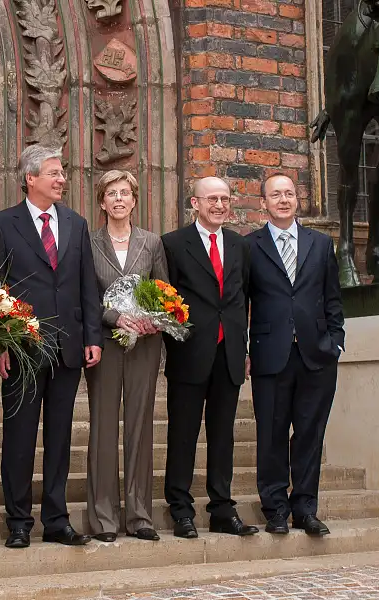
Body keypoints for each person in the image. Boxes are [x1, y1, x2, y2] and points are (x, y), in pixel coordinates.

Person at [0, 145, 103, 549]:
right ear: (30, 178)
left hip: (69, 347)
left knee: (60, 436)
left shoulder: (76, 223)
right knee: (19, 437)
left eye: (62, 173)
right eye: (53, 173)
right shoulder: (2, 223)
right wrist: (0, 344)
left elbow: (86, 283)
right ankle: (19, 520)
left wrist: (92, 337)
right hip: (22, 346)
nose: (61, 179)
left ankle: (56, 519)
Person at [245, 173, 345, 536]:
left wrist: (336, 341)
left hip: (316, 354)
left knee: (309, 434)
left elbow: (332, 297)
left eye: (289, 194)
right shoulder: (250, 246)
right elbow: (241, 303)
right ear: (264, 203)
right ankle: (275, 508)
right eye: (275, 195)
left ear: (297, 200)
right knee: (271, 433)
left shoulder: (320, 244)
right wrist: (244, 349)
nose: (283, 200)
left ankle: (305, 508)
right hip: (270, 354)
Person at [160, 177, 259, 539]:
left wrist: (243, 348)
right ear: (195, 203)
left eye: (224, 199)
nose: (219, 205)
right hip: (190, 352)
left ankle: (221, 509)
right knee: (182, 435)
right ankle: (181, 510)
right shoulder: (172, 244)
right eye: (212, 199)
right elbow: (165, 298)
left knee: (223, 436)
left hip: (229, 353)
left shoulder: (239, 245)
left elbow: (240, 299)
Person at [85, 170, 167, 543]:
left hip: (144, 346)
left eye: (125, 193)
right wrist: (116, 316)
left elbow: (165, 291)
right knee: (103, 429)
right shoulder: (88, 242)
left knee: (140, 427)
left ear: (134, 201)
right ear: (102, 202)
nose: (119, 199)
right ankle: (103, 518)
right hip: (104, 342)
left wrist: (155, 319)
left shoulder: (151, 243)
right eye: (111, 194)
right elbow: (84, 295)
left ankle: (139, 515)